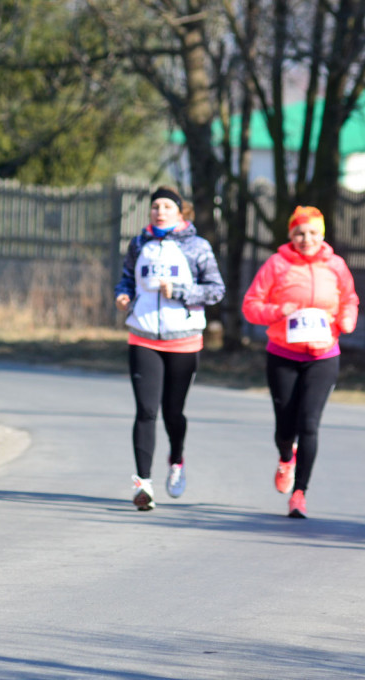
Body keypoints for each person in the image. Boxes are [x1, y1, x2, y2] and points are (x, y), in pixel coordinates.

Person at [241, 205, 359, 518]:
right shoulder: (277, 264)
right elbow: (251, 305)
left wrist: (345, 321)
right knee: (285, 425)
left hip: (323, 356)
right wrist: (278, 312)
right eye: (300, 233)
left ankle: (299, 494)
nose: (307, 239)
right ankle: (285, 458)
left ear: (323, 235)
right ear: (291, 234)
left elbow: (349, 299)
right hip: (283, 354)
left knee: (309, 424)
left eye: (313, 233)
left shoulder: (336, 265)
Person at [114, 186, 224, 510]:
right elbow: (126, 280)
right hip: (143, 335)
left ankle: (176, 459)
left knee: (172, 412)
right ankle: (143, 484)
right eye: (155, 206)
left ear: (180, 211)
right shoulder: (139, 244)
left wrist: (178, 290)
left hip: (183, 339)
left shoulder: (197, 246)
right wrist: (123, 296)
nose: (159, 211)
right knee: (146, 411)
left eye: (166, 206)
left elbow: (216, 290)